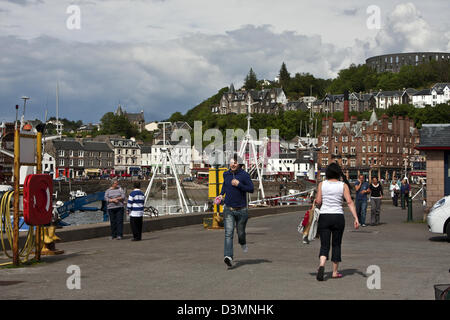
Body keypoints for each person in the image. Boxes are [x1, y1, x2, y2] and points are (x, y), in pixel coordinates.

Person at [314, 163, 359, 281]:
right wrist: (356, 218)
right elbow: (349, 202)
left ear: (328, 173)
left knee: (324, 244)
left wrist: (316, 200)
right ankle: (334, 272)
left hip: (324, 216)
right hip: (338, 216)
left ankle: (322, 265)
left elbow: (318, 201)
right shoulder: (343, 185)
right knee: (336, 244)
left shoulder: (322, 184)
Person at [216, 154, 254, 269]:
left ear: (240, 164)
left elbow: (251, 189)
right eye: (231, 162)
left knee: (241, 232)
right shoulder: (226, 174)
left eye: (235, 162)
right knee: (228, 234)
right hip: (229, 209)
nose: (233, 164)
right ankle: (228, 257)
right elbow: (225, 186)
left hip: (242, 210)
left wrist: (239, 184)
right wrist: (221, 195)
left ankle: (242, 243)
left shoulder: (245, 175)